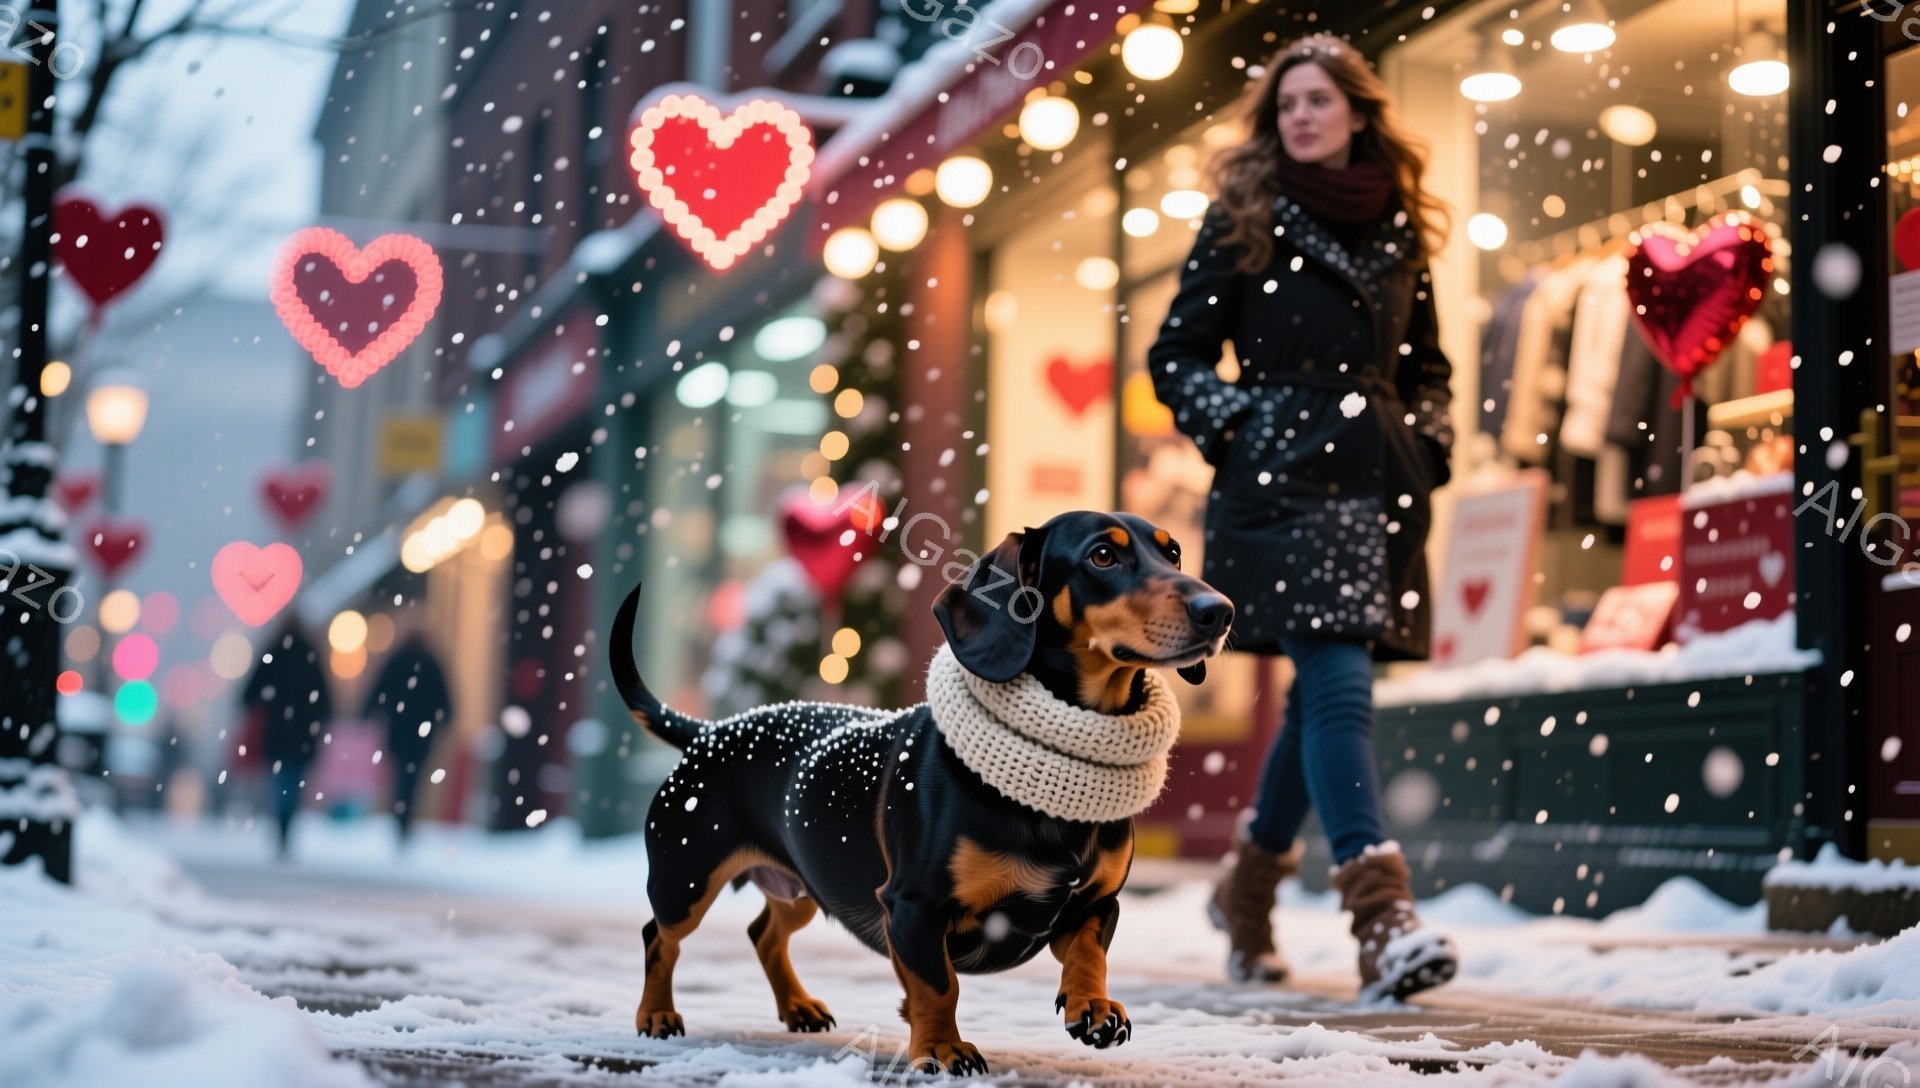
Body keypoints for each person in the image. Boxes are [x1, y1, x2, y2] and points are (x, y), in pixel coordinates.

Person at [1146, 34, 1459, 1001]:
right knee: (1337, 678)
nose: (1302, 116)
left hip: (1379, 482)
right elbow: (1175, 355)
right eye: (1287, 104)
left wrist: (1429, 442)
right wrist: (1244, 424)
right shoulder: (1243, 214)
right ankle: (1382, 915)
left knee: (1323, 687)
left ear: (1359, 112)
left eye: (1319, 100)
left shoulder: (1399, 225)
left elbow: (1428, 367)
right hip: (1281, 483)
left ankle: (1245, 894)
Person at [239, 618, 334, 858]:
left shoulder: (275, 653)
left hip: (278, 731)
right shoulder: (310, 654)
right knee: (294, 781)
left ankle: (282, 823)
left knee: (281, 780)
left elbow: (251, 692)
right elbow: (323, 697)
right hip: (303, 734)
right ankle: (286, 823)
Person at [360, 609, 452, 844]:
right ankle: (404, 816)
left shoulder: (398, 659)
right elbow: (442, 697)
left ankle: (401, 815)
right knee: (412, 775)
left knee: (402, 774)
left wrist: (369, 711)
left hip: (400, 728)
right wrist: (446, 718)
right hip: (421, 730)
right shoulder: (430, 662)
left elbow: (380, 690)